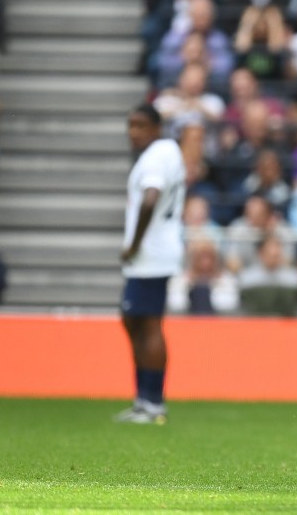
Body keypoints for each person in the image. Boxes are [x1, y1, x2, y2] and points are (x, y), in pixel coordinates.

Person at [115, 105, 186, 425]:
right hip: (157, 252)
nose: (134, 132)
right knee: (135, 321)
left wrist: (134, 244)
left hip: (150, 254)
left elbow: (150, 197)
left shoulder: (156, 156)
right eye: (130, 125)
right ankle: (145, 399)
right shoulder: (168, 151)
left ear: (157, 127)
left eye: (141, 125)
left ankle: (152, 402)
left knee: (148, 325)